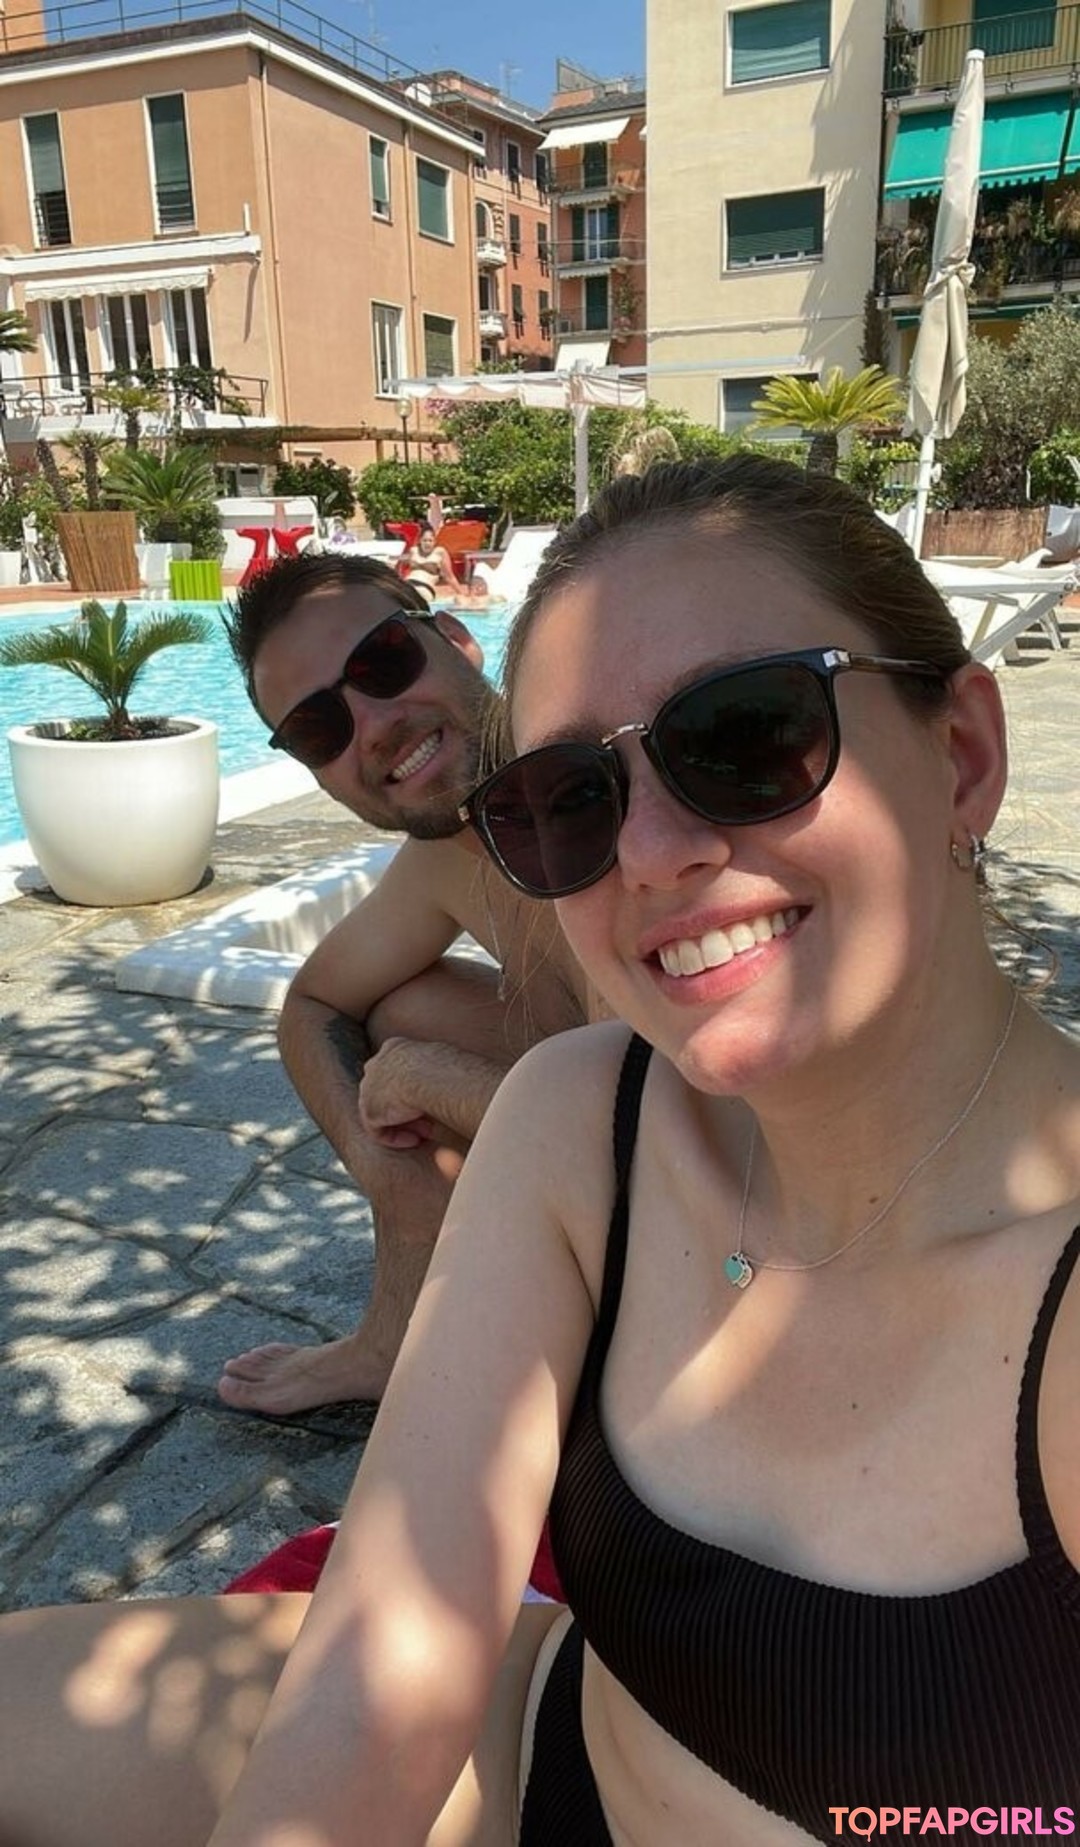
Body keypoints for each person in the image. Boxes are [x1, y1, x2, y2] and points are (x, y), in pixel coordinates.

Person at [3, 456, 1079, 1845]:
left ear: (964, 755)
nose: (651, 848)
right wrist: (398, 1172)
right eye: (568, 799)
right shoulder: (580, 1117)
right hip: (537, 1737)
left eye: (746, 731)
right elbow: (375, 1683)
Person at [216, 552, 591, 1415]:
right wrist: (383, 1168)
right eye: (319, 727)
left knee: (413, 1050)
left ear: (457, 639)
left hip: (736, 1189)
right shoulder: (449, 852)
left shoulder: (589, 782)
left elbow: (676, 1132)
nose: (374, 726)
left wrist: (433, 1078)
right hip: (617, 1101)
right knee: (402, 1009)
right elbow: (312, 1005)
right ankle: (393, 1338)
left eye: (383, 661)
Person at [401, 524, 458, 601]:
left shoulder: (440, 552)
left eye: (430, 540)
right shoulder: (413, 551)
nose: (427, 543)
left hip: (425, 588)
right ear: (420, 541)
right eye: (425, 540)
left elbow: (449, 577)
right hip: (407, 584)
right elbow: (401, 568)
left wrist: (461, 593)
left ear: (435, 542)